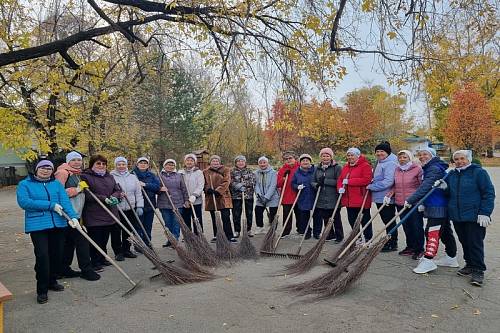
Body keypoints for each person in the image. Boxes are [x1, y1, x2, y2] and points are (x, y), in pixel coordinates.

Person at [17, 159, 79, 304]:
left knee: (56, 255)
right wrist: (50, 205)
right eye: (43, 168)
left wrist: (73, 218)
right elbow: (24, 202)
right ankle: (42, 289)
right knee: (43, 256)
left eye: (49, 168)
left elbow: (65, 202)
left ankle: (52, 281)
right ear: (37, 169)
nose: (46, 170)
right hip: (38, 226)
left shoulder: (56, 184)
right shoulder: (25, 184)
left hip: (58, 224)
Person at [437, 150, 495, 286]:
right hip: (457, 215)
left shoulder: (478, 173)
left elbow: (488, 193)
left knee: (475, 243)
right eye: (456, 159)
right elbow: (450, 194)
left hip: (475, 216)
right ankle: (469, 264)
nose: (459, 161)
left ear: (468, 159)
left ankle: (478, 270)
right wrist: (444, 188)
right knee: (464, 241)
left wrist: (485, 212)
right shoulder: (452, 174)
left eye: (462, 158)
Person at [408, 147, 458, 274]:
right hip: (436, 204)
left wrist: (411, 200)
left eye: (425, 154)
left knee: (431, 232)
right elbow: (431, 189)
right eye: (420, 155)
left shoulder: (434, 168)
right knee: (445, 231)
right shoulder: (431, 167)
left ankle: (428, 260)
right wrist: (423, 203)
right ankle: (451, 257)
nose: (422, 156)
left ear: (432, 156)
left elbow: (425, 187)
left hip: (438, 206)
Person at [54, 151, 100, 281]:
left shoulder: (78, 174)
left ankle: (63, 269)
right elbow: (58, 193)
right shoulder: (63, 173)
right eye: (73, 160)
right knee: (82, 242)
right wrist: (77, 190)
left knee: (69, 243)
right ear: (68, 161)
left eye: (79, 160)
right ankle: (86, 270)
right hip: (67, 215)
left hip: (77, 213)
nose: (77, 162)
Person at [80, 155, 123, 270]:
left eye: (103, 164)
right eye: (98, 163)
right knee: (96, 239)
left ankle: (102, 258)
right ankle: (94, 261)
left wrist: (114, 196)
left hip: (110, 213)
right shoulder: (85, 177)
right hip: (94, 214)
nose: (101, 166)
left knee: (104, 238)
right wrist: (104, 199)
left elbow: (117, 190)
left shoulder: (109, 176)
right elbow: (87, 194)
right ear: (92, 165)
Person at [385, 150, 424, 260]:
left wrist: (421, 202)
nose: (402, 159)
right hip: (400, 203)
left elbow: (422, 187)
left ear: (410, 158)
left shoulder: (417, 169)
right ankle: (410, 247)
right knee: (407, 226)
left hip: (413, 203)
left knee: (416, 226)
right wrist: (388, 196)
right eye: (400, 157)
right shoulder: (397, 169)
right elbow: (395, 186)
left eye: (405, 157)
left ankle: (419, 249)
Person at [367, 141, 398, 252]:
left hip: (386, 197)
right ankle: (389, 241)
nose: (379, 153)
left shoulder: (390, 163)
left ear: (388, 153)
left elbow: (388, 182)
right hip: (380, 196)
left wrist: (371, 186)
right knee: (386, 220)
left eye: (382, 151)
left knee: (389, 220)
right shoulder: (381, 162)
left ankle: (392, 243)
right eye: (378, 151)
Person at [110, 157, 144, 259]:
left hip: (130, 208)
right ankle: (118, 252)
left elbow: (138, 193)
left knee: (129, 231)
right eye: (119, 164)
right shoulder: (111, 176)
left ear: (126, 165)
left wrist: (140, 206)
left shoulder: (133, 177)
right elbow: (109, 191)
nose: (121, 166)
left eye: (123, 164)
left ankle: (127, 250)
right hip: (117, 208)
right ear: (115, 165)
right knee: (116, 231)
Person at [337, 148, 373, 241]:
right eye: (348, 155)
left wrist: (350, 181)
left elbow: (366, 180)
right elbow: (340, 179)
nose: (350, 157)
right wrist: (340, 187)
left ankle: (368, 238)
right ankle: (357, 238)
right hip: (349, 199)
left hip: (361, 199)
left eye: (352, 155)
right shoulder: (346, 167)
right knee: (352, 220)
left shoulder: (365, 166)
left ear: (358, 156)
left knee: (365, 220)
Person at [311, 148, 343, 242]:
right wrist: (317, 185)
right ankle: (329, 234)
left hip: (333, 197)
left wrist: (326, 181)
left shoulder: (337, 168)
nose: (325, 158)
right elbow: (312, 181)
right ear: (321, 157)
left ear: (331, 157)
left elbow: (339, 182)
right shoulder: (317, 168)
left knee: (336, 218)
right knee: (325, 218)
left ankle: (339, 236)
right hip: (321, 197)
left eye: (327, 156)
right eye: (323, 156)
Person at [203, 155, 236, 243]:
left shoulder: (225, 170)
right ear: (210, 162)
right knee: (215, 217)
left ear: (220, 162)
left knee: (226, 217)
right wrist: (207, 189)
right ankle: (217, 235)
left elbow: (226, 181)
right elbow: (204, 183)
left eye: (217, 161)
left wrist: (218, 191)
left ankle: (229, 235)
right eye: (213, 161)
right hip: (211, 197)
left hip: (223, 196)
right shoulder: (205, 172)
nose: (215, 163)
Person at [157, 159, 189, 247]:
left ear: (174, 166)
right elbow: (155, 187)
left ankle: (175, 240)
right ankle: (170, 239)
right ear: (164, 166)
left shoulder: (179, 175)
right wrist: (159, 189)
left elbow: (184, 189)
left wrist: (186, 200)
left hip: (177, 202)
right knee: (167, 223)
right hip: (164, 203)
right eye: (168, 164)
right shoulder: (159, 175)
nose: (170, 166)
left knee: (176, 222)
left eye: (172, 165)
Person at [132, 157, 160, 246]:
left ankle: (147, 243)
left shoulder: (152, 175)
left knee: (148, 226)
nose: (143, 164)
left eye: (145, 163)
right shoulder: (132, 174)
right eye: (141, 163)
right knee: (138, 226)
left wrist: (145, 184)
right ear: (137, 164)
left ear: (148, 165)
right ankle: (138, 245)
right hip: (137, 205)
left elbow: (157, 187)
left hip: (150, 204)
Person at [179, 154, 205, 235]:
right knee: (186, 219)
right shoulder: (180, 172)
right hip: (184, 201)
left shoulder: (198, 172)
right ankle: (188, 236)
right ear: (185, 161)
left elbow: (200, 185)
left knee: (197, 219)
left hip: (196, 200)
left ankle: (199, 235)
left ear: (195, 162)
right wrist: (185, 199)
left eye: (191, 160)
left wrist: (194, 195)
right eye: (187, 160)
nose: (189, 162)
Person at [230, 155, 256, 237]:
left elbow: (253, 181)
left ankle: (248, 230)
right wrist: (237, 185)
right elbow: (230, 181)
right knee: (236, 214)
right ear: (236, 163)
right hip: (236, 196)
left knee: (249, 213)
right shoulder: (232, 172)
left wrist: (244, 185)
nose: (240, 163)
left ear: (245, 163)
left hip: (248, 196)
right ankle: (237, 230)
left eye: (242, 161)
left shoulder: (249, 171)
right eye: (238, 161)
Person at [291, 154, 316, 238]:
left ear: (310, 162)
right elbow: (293, 183)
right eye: (303, 160)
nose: (305, 162)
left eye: (307, 160)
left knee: (317, 216)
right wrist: (297, 186)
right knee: (304, 216)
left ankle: (316, 232)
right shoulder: (297, 172)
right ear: (300, 162)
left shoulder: (315, 170)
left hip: (315, 196)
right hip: (303, 197)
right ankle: (307, 232)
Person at [277, 151, 301, 237]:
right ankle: (286, 231)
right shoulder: (282, 169)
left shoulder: (300, 168)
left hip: (298, 195)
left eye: (290, 158)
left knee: (300, 214)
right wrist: (283, 179)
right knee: (287, 215)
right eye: (286, 159)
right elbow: (278, 184)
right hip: (287, 196)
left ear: (295, 159)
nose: (288, 160)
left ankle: (301, 229)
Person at [254, 156, 279, 234]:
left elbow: (273, 185)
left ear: (267, 163)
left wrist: (267, 197)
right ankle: (260, 227)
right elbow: (256, 185)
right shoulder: (255, 173)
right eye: (260, 163)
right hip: (260, 196)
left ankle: (272, 227)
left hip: (272, 196)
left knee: (273, 212)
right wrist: (259, 195)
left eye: (264, 162)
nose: (262, 164)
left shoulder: (273, 172)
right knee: (258, 210)